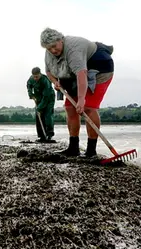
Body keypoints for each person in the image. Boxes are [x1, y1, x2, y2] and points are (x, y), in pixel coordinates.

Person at [40, 27, 114, 157]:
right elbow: (48, 72)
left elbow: (81, 74)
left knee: (88, 107)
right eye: (48, 48)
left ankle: (91, 151)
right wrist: (55, 82)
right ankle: (73, 147)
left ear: (61, 40)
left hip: (100, 68)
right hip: (74, 75)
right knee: (70, 107)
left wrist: (81, 99)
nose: (53, 50)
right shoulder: (49, 53)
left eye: (54, 46)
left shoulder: (73, 49)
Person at [26, 67, 55, 142]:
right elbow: (29, 85)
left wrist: (39, 108)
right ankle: (41, 136)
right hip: (38, 98)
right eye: (34, 76)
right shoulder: (31, 78)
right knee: (38, 116)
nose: (35, 78)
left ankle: (49, 135)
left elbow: (46, 97)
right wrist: (30, 94)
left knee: (48, 115)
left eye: (37, 76)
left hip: (49, 98)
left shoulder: (45, 81)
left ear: (40, 74)